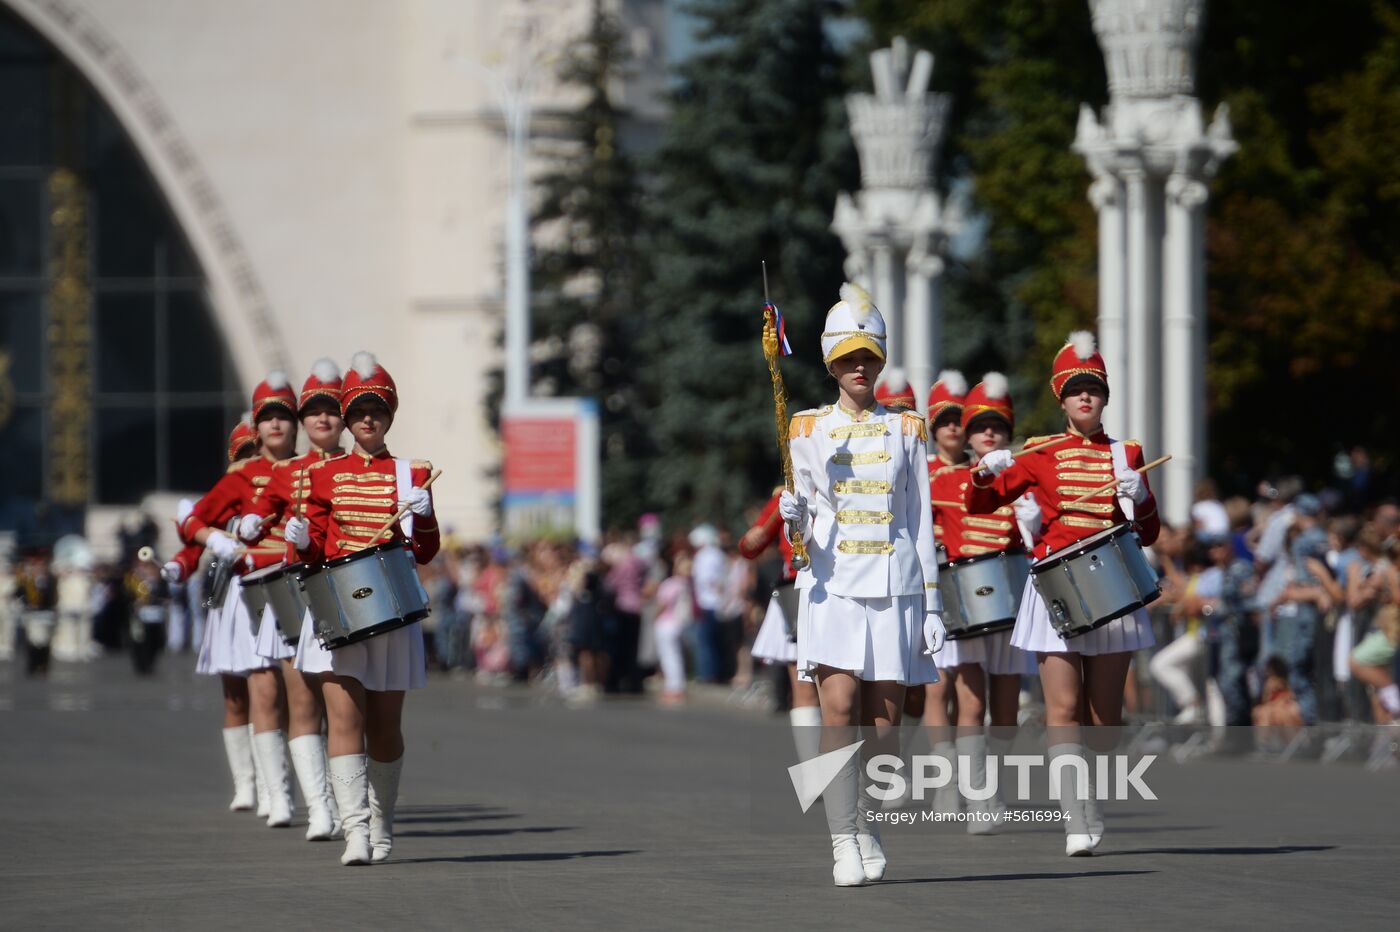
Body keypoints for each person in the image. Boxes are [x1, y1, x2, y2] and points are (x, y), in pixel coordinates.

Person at [778, 282, 945, 887]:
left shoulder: (908, 430)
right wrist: (797, 520)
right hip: (832, 584)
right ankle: (841, 839)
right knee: (838, 706)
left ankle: (865, 819)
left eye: (867, 357)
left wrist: (933, 601)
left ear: (878, 361)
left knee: (883, 732)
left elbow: (920, 517)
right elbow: (809, 513)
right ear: (831, 364)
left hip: (896, 587)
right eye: (848, 357)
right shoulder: (804, 429)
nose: (858, 366)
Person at [968, 331, 1160, 856]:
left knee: (1104, 723)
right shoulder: (1038, 453)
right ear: (1061, 398)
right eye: (1075, 390)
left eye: (1093, 390)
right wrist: (985, 474)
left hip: (1113, 587)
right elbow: (983, 505)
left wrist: (1139, 499)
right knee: (1063, 706)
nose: (1084, 398)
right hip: (1056, 586)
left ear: (1104, 398)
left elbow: (1149, 534)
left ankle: (1089, 796)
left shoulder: (1129, 454)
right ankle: (1077, 815)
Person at [289, 352, 439, 866]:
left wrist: (423, 520)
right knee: (344, 718)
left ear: (389, 415)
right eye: (358, 412)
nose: (366, 420)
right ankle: (354, 830)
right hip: (339, 608)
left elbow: (423, 552)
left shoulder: (410, 473)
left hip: (392, 611)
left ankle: (382, 822)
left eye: (376, 410)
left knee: (386, 727)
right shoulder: (323, 476)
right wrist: (302, 539)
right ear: (348, 420)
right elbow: (305, 558)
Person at [237, 359, 349, 841]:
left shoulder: (362, 465)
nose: (322, 419)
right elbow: (259, 511)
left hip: (352, 594)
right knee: (302, 702)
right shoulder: (289, 472)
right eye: (314, 411)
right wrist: (249, 524)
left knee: (348, 706)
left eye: (331, 410)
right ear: (304, 421)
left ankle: (353, 806)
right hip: (301, 591)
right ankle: (321, 807)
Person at [178, 402, 294, 824]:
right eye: (242, 454)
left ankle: (271, 786)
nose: (250, 462)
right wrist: (182, 562)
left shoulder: (281, 481)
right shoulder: (229, 490)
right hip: (229, 597)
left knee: (273, 691)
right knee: (234, 693)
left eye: (254, 452)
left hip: (270, 589)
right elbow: (194, 536)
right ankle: (245, 782)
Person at [933, 372, 1040, 831]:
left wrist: (1032, 520)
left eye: (996, 426)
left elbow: (1041, 538)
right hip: (966, 602)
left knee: (1007, 711)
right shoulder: (941, 481)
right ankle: (978, 798)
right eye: (979, 427)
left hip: (1013, 601)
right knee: (970, 704)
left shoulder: (1026, 476)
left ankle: (986, 784)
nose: (986, 433)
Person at [739, 487, 821, 765]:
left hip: (843, 591)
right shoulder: (785, 494)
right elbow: (750, 548)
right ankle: (814, 770)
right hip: (796, 592)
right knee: (805, 686)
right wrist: (756, 536)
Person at [919, 369, 968, 814]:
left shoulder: (981, 470)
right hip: (933, 588)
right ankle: (945, 778)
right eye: (945, 421)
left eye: (960, 420)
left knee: (972, 689)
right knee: (937, 687)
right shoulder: (922, 471)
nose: (954, 428)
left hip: (974, 588)